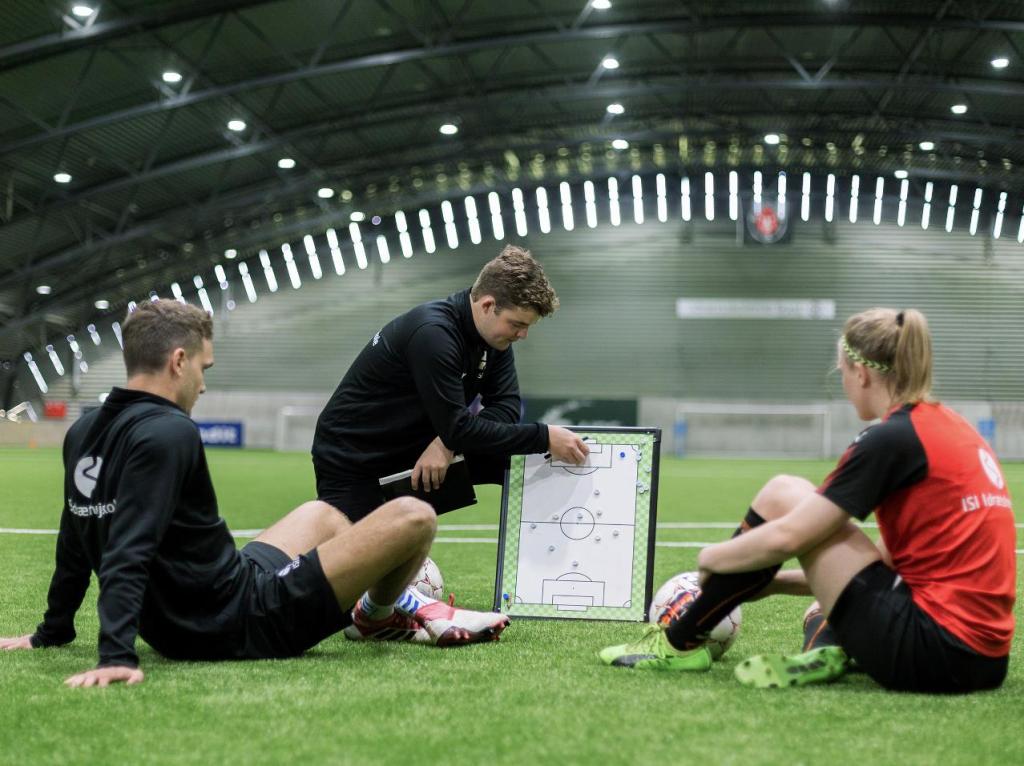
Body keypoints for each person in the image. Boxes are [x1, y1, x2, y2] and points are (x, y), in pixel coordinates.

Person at [0, 300, 509, 688]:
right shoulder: (170, 432)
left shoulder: (85, 430)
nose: (203, 385)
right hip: (237, 623)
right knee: (414, 515)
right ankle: (378, 618)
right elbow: (128, 548)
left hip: (213, 596)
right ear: (179, 361)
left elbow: (76, 532)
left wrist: (53, 631)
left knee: (323, 513)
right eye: (205, 368)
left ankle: (388, 604)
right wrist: (116, 655)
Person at [600, 308, 1015, 694]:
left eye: (842, 372)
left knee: (783, 493)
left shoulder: (890, 439)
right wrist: (773, 584)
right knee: (820, 602)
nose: (843, 382)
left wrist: (712, 557)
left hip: (930, 653)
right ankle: (827, 647)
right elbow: (890, 562)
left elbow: (789, 536)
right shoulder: (949, 428)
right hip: (982, 661)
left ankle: (678, 643)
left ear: (861, 373)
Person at [312, 244, 588, 519]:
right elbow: (458, 428)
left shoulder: (496, 340)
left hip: (416, 447)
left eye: (527, 326)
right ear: (488, 305)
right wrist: (544, 436)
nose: (522, 335)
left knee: (524, 458)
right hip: (354, 458)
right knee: (351, 557)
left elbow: (507, 406)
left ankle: (549, 551)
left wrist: (446, 444)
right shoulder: (434, 333)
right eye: (516, 324)